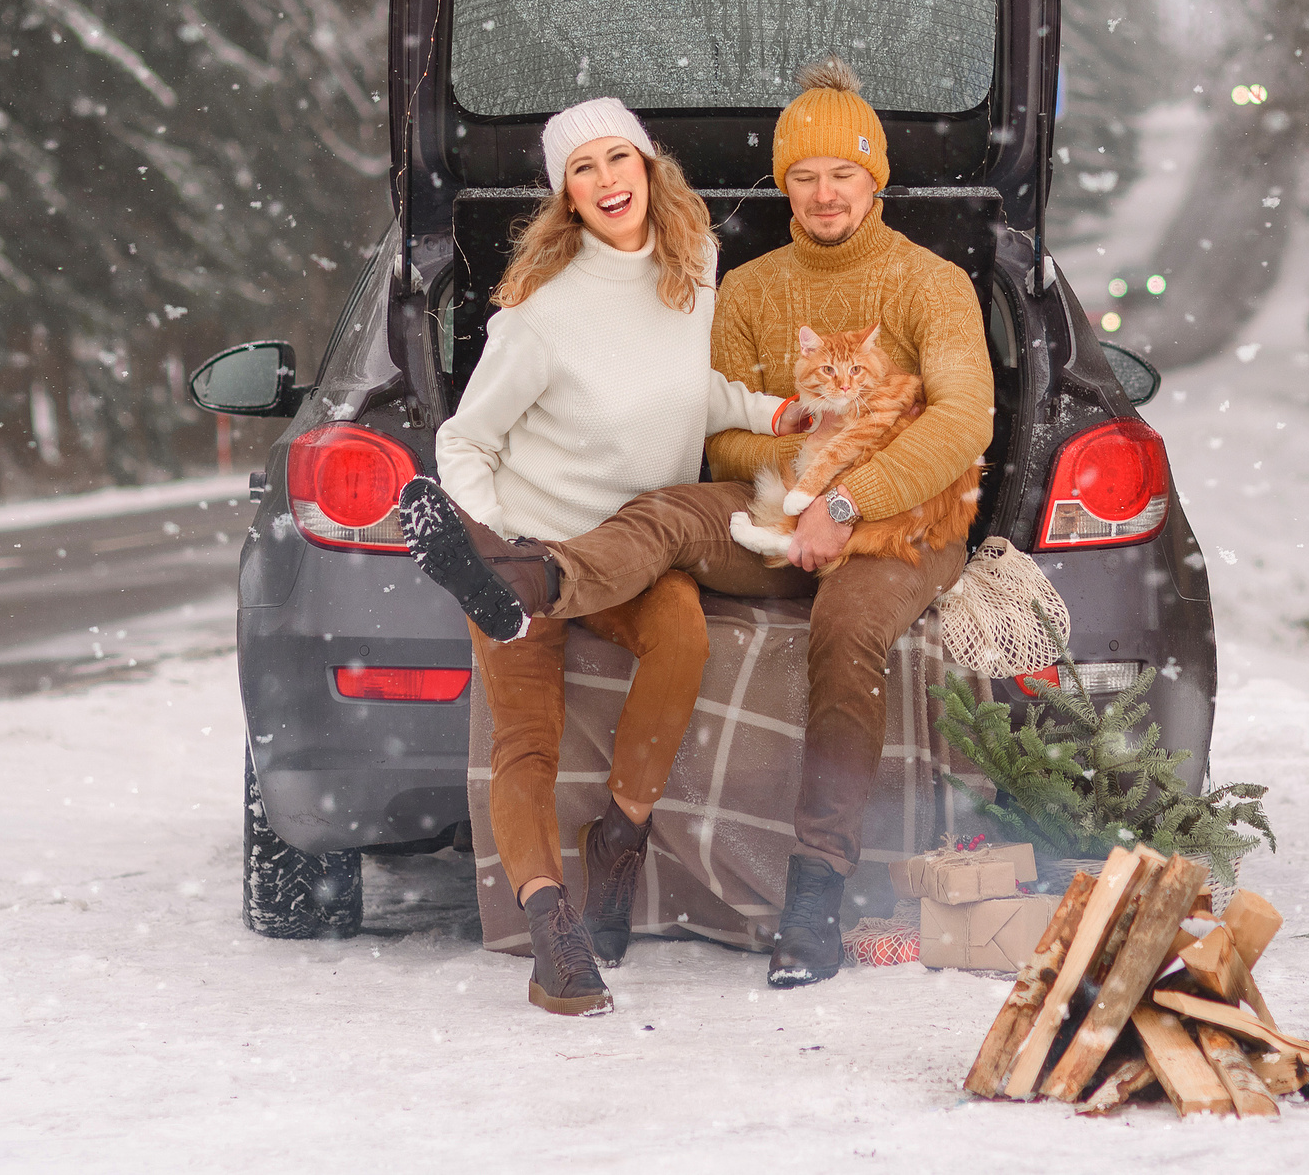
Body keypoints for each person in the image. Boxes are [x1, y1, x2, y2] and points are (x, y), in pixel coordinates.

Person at [401, 59, 993, 988]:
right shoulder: (745, 287)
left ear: (877, 179)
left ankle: (816, 888)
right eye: (803, 173)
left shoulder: (931, 282)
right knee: (669, 512)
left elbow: (963, 421)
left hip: (905, 519)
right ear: (784, 185)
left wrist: (844, 500)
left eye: (844, 171)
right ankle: (535, 583)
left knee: (845, 627)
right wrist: (796, 470)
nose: (824, 191)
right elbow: (714, 437)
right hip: (771, 502)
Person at [399, 97, 805, 1018]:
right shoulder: (540, 318)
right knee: (526, 742)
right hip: (524, 552)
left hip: (629, 548)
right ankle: (554, 934)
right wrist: (499, 530)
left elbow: (677, 389)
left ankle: (619, 837)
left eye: (617, 157)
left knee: (683, 636)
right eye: (582, 170)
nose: (606, 179)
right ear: (566, 199)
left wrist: (767, 410)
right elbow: (464, 442)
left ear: (649, 167)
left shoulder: (692, 269)